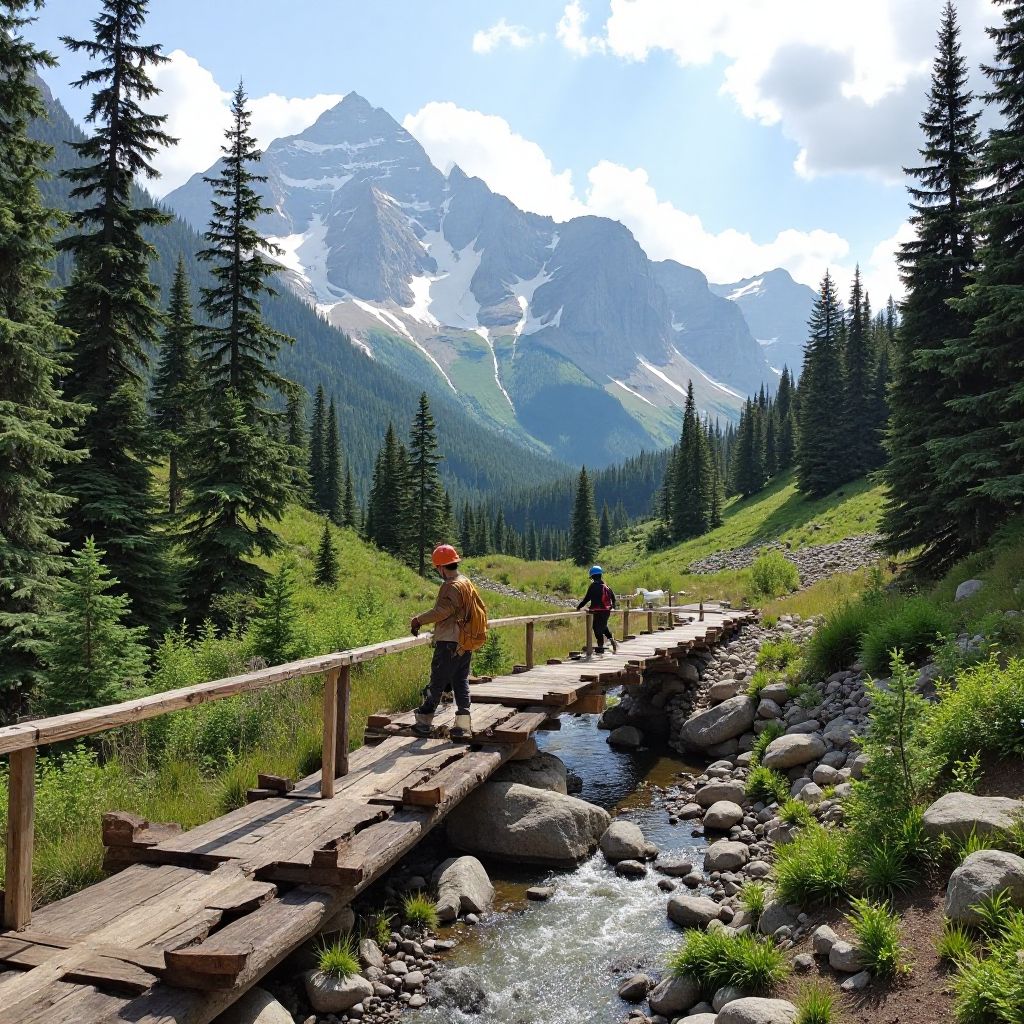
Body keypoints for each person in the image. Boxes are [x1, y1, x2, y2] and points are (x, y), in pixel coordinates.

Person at [410, 544, 481, 739]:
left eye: (437, 568)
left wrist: (418, 620)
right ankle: (463, 726)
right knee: (460, 681)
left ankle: (424, 722)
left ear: (441, 567)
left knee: (437, 681)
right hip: (464, 641)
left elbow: (441, 612)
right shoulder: (466, 582)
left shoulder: (451, 586)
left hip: (449, 642)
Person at [577, 565, 617, 654]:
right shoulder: (606, 586)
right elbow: (613, 598)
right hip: (606, 611)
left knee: (596, 628)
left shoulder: (593, 586)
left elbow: (586, 599)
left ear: (592, 577)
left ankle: (600, 646)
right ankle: (611, 640)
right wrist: (613, 606)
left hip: (596, 611)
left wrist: (578, 607)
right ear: (600, 575)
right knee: (603, 626)